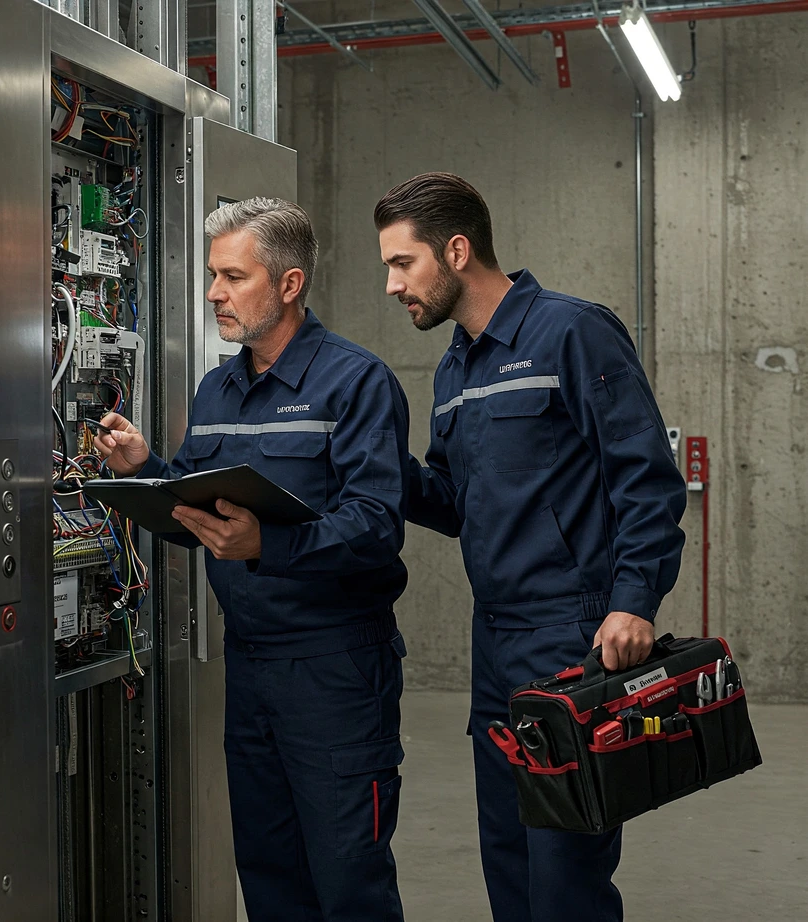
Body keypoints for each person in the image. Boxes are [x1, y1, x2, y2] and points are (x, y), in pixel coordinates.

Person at [374, 172, 686, 922]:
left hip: (572, 637)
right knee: (508, 860)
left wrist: (634, 601)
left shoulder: (573, 332)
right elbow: (456, 504)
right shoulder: (453, 368)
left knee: (564, 874)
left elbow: (646, 479)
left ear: (456, 250)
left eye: (401, 263)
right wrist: (381, 462)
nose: (390, 286)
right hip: (495, 643)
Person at [96, 198, 409, 922]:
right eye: (214, 276)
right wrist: (145, 472)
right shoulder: (218, 389)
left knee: (348, 878)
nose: (214, 294)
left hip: (336, 670)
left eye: (233, 277)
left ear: (289, 284)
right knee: (269, 876)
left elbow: (374, 527)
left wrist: (269, 545)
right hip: (252, 667)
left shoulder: (356, 382)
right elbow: (207, 518)